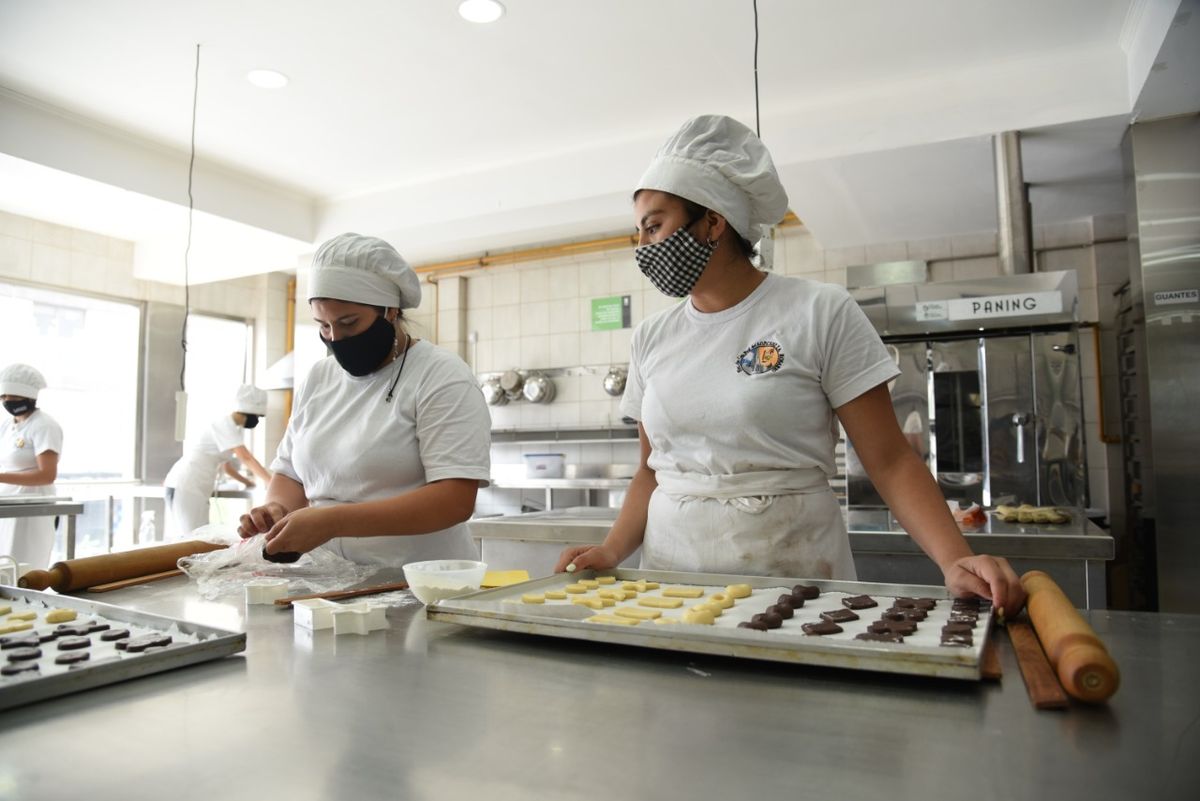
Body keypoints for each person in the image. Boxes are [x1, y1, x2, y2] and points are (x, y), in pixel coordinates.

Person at [555, 115, 1026, 615]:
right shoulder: (653, 336)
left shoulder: (818, 311)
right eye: (639, 233)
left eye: (655, 226)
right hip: (675, 576)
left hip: (792, 565)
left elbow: (889, 460)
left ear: (713, 222)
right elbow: (651, 472)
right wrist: (611, 549)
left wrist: (954, 559)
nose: (645, 247)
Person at [236, 233, 491, 566]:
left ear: (389, 310)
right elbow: (290, 474)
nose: (335, 338)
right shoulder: (319, 378)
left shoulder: (440, 375)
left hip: (416, 583)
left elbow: (453, 500)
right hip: (327, 578)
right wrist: (276, 510)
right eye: (323, 326)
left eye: (348, 322)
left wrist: (333, 521)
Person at [164, 385, 272, 538]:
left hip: (197, 488)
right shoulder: (224, 424)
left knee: (200, 536)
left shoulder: (234, 429)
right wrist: (271, 480)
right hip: (185, 485)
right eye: (258, 416)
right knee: (189, 538)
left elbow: (226, 466)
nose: (257, 421)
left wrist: (247, 483)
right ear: (249, 411)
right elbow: (245, 456)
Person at [0, 363, 64, 568]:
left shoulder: (44, 425)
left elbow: (46, 474)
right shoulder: (8, 426)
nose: (6, 401)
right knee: (5, 566)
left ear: (27, 397)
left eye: (12, 397)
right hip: (9, 503)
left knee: (25, 568)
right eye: (3, 396)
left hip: (33, 508)